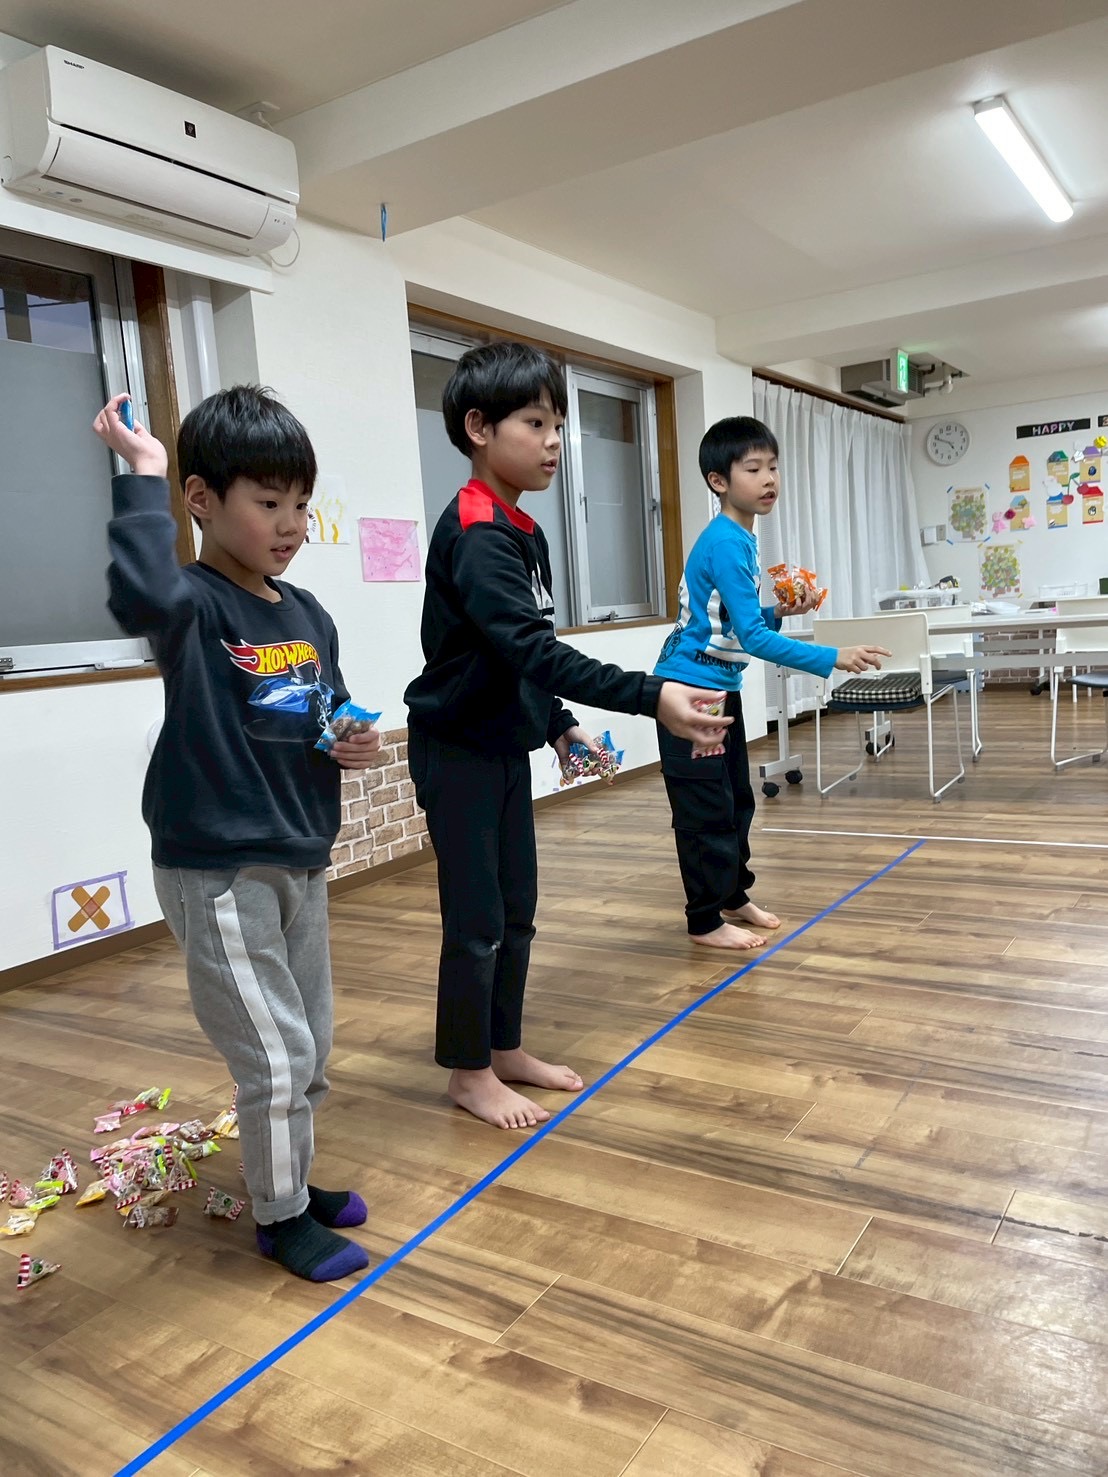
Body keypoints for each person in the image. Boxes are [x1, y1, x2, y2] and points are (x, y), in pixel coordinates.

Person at [405, 340, 731, 1131]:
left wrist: (556, 722)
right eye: (535, 423)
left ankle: (504, 1046)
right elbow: (531, 649)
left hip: (500, 746)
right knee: (476, 921)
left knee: (516, 911)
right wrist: (651, 696)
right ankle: (469, 1073)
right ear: (478, 428)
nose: (555, 441)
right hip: (457, 751)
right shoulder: (477, 532)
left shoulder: (521, 528)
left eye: (558, 424)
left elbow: (515, 655)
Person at [95, 386, 382, 1282]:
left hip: (300, 853)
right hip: (218, 865)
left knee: (311, 1043)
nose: (291, 523)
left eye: (300, 503)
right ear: (202, 499)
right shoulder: (192, 604)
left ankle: (286, 1176)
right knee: (275, 1053)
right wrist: (142, 472)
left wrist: (349, 737)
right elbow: (138, 592)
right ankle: (280, 1216)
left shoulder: (308, 613)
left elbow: (325, 708)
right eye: (268, 502)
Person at [654, 415, 888, 950]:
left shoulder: (741, 538)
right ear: (719, 480)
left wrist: (778, 611)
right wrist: (833, 656)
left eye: (774, 467)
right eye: (753, 468)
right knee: (705, 809)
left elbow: (733, 624)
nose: (769, 479)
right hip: (690, 694)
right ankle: (704, 921)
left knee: (737, 801)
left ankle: (732, 895)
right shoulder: (726, 542)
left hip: (719, 689)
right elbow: (754, 641)